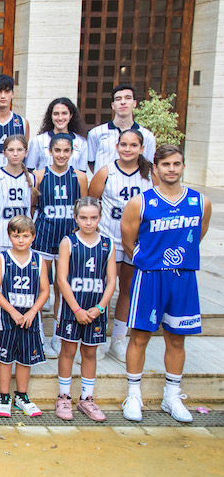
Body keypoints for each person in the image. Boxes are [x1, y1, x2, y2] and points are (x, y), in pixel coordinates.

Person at [121, 145, 211, 423]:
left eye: (177, 164)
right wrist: (146, 260)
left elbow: (199, 234)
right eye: (166, 164)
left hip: (183, 276)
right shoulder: (141, 202)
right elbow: (128, 240)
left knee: (177, 338)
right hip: (150, 276)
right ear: (156, 168)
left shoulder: (201, 202)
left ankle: (171, 396)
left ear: (183, 166)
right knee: (140, 336)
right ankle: (133, 394)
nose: (171, 169)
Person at [88, 129, 156, 361]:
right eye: (123, 144)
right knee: (103, 288)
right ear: (117, 146)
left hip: (137, 241)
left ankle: (117, 340)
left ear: (141, 148)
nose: (128, 149)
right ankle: (95, 339)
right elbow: (91, 204)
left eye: (133, 145)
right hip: (109, 238)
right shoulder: (106, 172)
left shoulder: (149, 175)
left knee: (127, 289)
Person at [54, 197, 116, 422]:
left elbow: (111, 282)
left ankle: (87, 398)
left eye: (93, 218)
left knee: (90, 352)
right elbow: (61, 279)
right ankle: (64, 396)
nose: (88, 222)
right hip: (73, 309)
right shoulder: (68, 242)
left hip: (95, 309)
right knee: (68, 351)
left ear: (100, 217)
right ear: (76, 218)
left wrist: (99, 308)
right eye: (83, 218)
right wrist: (77, 309)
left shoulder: (108, 244)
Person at [32, 134, 88, 359]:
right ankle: (40, 337)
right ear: (50, 151)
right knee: (41, 287)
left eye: (66, 151)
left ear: (72, 152)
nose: (62, 155)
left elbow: (84, 208)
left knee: (62, 289)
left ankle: (58, 334)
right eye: (58, 150)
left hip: (68, 238)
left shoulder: (80, 177)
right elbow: (33, 206)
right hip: (45, 235)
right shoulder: (39, 175)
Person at [0, 215, 48, 417]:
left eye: (25, 236)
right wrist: (12, 311)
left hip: (29, 318)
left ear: (33, 236)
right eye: (16, 236)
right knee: (5, 358)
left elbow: (45, 291)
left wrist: (32, 311)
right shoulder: (2, 258)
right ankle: (3, 396)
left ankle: (21, 396)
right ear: (9, 236)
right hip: (7, 317)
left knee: (25, 359)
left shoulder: (39, 260)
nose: (21, 240)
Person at [0, 135, 38, 314]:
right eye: (11, 150)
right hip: (0, 238)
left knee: (21, 286)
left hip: (23, 239)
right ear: (4, 152)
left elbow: (30, 210)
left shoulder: (32, 178)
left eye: (20, 150)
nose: (15, 154)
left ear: (26, 152)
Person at [88, 84, 157, 173]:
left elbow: (149, 165)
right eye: (118, 99)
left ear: (134, 103)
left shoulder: (147, 136)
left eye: (128, 98)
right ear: (113, 105)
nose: (123, 102)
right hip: (104, 185)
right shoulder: (96, 133)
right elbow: (91, 163)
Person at [26, 97, 88, 171]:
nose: (60, 118)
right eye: (56, 114)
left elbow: (82, 172)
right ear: (51, 116)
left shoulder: (81, 142)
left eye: (64, 113)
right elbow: (29, 170)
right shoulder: (39, 141)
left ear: (71, 115)